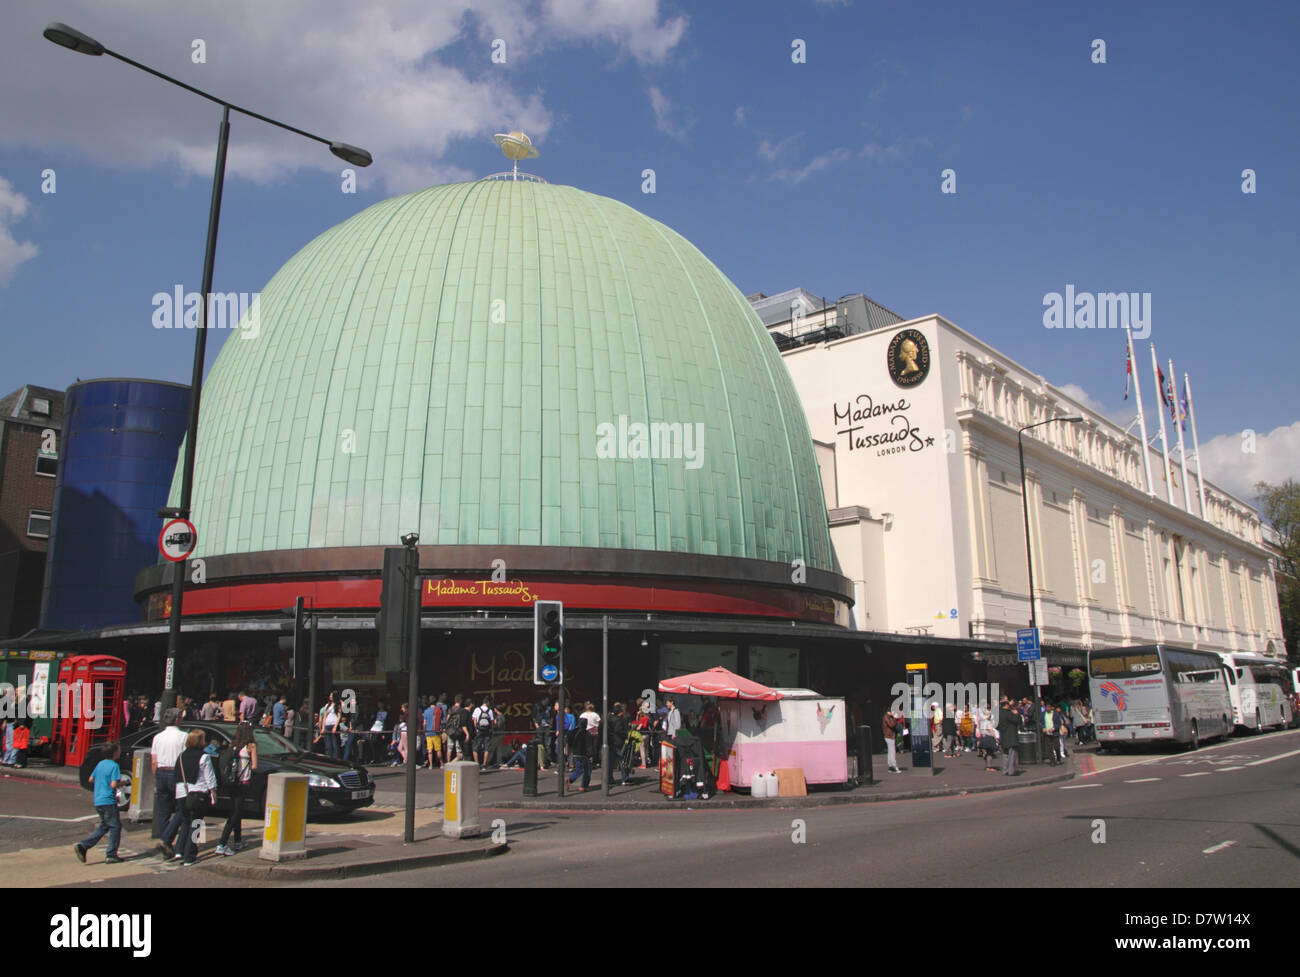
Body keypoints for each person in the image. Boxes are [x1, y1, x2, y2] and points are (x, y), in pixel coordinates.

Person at [173, 728, 217, 865]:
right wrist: (213, 792)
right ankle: (190, 855)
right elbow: (209, 777)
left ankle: (179, 850)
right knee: (196, 823)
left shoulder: (181, 756)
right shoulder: (204, 757)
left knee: (186, 822)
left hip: (181, 792)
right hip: (198, 793)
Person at [75, 742, 123, 865]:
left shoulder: (100, 764)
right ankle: (111, 854)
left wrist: (102, 781)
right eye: (118, 750)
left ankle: (83, 846)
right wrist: (123, 783)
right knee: (115, 827)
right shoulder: (114, 766)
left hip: (98, 799)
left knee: (104, 825)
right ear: (115, 753)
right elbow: (113, 784)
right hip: (108, 800)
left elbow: (91, 779)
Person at [216, 723, 257, 856]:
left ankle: (238, 841)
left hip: (232, 782)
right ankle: (222, 844)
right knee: (235, 813)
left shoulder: (233, 745)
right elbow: (255, 766)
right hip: (243, 782)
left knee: (237, 811)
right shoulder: (251, 746)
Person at [151, 708, 187, 851]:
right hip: (176, 773)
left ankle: (165, 839)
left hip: (161, 772)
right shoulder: (183, 736)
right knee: (182, 808)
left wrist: (156, 776)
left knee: (163, 810)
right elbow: (184, 759)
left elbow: (154, 761)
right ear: (177, 719)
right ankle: (166, 839)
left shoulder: (158, 737)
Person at [996, 698, 1022, 777]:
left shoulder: (998, 713)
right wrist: (1017, 713)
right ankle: (1011, 771)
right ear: (1006, 705)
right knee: (1012, 755)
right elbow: (1018, 721)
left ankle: (1005, 770)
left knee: (1005, 754)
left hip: (1003, 735)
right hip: (1011, 736)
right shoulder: (1008, 713)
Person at [568, 715, 592, 791]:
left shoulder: (573, 732)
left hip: (575, 753)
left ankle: (570, 779)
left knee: (578, 769)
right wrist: (591, 755)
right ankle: (584, 786)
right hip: (584, 754)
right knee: (587, 770)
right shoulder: (586, 733)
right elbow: (589, 745)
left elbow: (569, 741)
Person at [471, 697, 495, 770]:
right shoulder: (490, 711)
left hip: (479, 731)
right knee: (486, 748)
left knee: (475, 748)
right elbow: (492, 722)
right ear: (487, 703)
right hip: (487, 731)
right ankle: (484, 764)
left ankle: (476, 764)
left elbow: (474, 720)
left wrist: (476, 728)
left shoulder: (477, 709)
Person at [882, 706, 903, 773]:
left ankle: (890, 766)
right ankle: (894, 766)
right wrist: (895, 718)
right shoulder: (887, 717)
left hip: (889, 735)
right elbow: (891, 725)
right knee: (892, 751)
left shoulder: (888, 717)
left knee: (890, 751)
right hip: (889, 736)